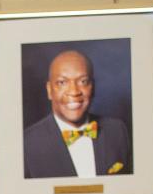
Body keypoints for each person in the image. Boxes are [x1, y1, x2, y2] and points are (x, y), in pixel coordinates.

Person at [23, 49, 132, 178]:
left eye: (83, 81)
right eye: (62, 82)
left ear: (93, 87)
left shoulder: (117, 130)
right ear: (49, 90)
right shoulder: (26, 144)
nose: (74, 92)